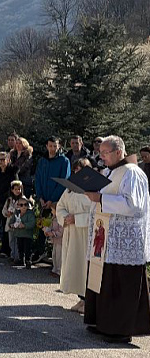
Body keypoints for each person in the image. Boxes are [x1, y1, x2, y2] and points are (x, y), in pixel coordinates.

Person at [83, 135, 150, 343]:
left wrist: (101, 198)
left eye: (105, 153)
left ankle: (121, 330)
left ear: (119, 151)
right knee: (105, 280)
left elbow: (134, 206)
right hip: (106, 239)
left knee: (121, 283)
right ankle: (103, 323)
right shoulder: (109, 172)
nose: (101, 158)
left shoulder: (132, 172)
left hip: (125, 240)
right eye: (101, 153)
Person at [55, 158, 94, 313]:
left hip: (85, 233)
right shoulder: (70, 189)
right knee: (75, 265)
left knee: (85, 266)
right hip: (72, 232)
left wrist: (77, 219)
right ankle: (81, 298)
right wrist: (65, 217)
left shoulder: (93, 189)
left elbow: (97, 212)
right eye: (76, 170)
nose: (78, 173)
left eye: (81, 170)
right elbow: (60, 206)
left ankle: (88, 300)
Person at [34, 136, 71, 260]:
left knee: (56, 227)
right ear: (46, 146)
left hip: (56, 201)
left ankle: (56, 257)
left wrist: (52, 199)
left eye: (55, 146)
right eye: (50, 146)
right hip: (43, 200)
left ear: (59, 146)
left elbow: (63, 182)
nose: (52, 148)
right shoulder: (42, 161)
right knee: (43, 225)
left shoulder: (64, 161)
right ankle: (40, 251)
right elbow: (38, 179)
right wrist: (40, 197)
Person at [7, 196, 37, 268]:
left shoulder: (30, 213)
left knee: (27, 249)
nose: (23, 206)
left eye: (25, 205)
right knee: (20, 248)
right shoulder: (16, 213)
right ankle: (21, 260)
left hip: (27, 235)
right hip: (18, 234)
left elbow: (32, 223)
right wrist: (12, 225)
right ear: (18, 206)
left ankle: (28, 260)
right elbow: (11, 221)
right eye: (21, 205)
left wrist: (24, 225)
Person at [2, 181, 25, 262]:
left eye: (19, 189)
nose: (17, 191)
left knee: (18, 241)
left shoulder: (23, 199)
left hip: (18, 223)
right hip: (10, 223)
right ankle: (13, 255)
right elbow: (4, 210)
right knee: (11, 240)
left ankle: (18, 257)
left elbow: (26, 210)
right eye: (15, 189)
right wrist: (6, 213)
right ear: (12, 190)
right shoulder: (9, 200)